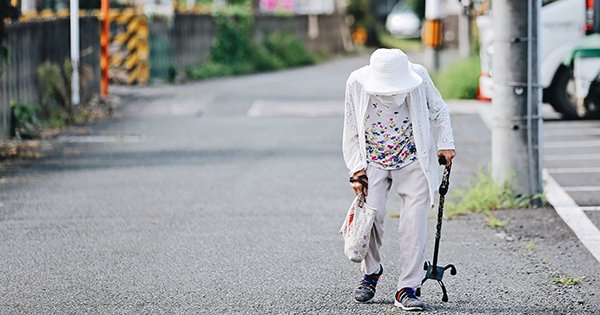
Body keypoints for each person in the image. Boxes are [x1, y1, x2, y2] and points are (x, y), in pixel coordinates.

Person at [342, 48, 456, 311]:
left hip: (413, 157)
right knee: (372, 217)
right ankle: (371, 273)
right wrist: (356, 169)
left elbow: (439, 109)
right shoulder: (357, 82)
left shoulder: (419, 76)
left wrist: (446, 143)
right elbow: (350, 127)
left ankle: (408, 287)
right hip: (373, 160)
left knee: (413, 224)